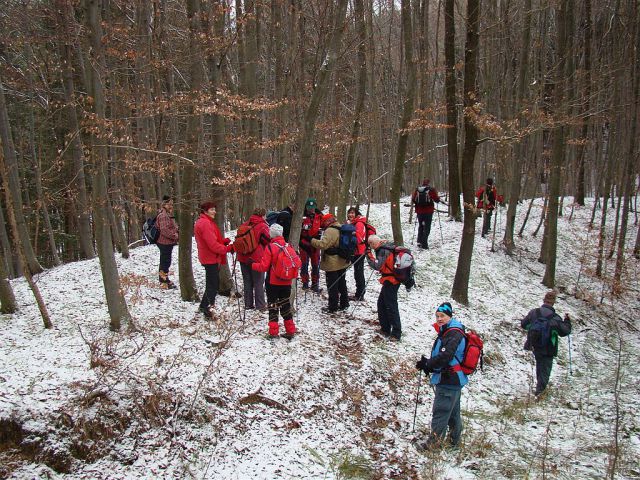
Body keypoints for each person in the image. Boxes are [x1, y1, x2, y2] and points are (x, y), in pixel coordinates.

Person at [414, 302, 468, 450]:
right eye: (437, 316)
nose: (439, 319)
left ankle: (433, 446)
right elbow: (445, 357)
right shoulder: (449, 331)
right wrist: (428, 364)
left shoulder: (453, 333)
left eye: (442, 316)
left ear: (449, 316)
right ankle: (454, 443)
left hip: (448, 380)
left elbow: (446, 356)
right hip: (454, 378)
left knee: (441, 411)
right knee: (453, 413)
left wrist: (429, 364)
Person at [251, 223, 299, 339]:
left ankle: (273, 333)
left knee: (273, 306)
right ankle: (290, 331)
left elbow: (263, 267)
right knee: (285, 305)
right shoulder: (289, 246)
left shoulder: (270, 247)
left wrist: (252, 265)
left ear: (271, 234)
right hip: (287, 281)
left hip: (273, 282)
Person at [521, 290, 572, 397]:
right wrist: (567, 321)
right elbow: (565, 332)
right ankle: (540, 393)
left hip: (535, 345)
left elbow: (524, 324)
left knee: (540, 366)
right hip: (549, 348)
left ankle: (539, 390)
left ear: (544, 300)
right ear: (553, 302)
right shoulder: (555, 317)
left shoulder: (534, 312)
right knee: (545, 370)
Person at [194, 202, 234, 319]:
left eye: (214, 209)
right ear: (205, 211)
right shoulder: (205, 223)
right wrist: (227, 248)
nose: (214, 212)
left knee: (212, 283)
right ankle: (207, 309)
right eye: (212, 209)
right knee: (213, 285)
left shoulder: (204, 222)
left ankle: (204, 306)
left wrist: (222, 242)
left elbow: (213, 241)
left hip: (208, 256)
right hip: (209, 257)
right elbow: (212, 245)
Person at [311, 213, 350, 313]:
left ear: (328, 221)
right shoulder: (341, 227)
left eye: (324, 222)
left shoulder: (330, 230)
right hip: (342, 260)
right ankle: (344, 303)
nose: (323, 224)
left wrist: (312, 240)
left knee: (332, 285)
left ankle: (332, 307)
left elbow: (323, 245)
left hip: (332, 263)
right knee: (342, 283)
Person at [366, 235, 402, 341]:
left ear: (373, 243)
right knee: (382, 303)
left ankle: (396, 333)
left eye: (370, 244)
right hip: (390, 280)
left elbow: (377, 266)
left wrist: (368, 255)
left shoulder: (383, 250)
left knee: (391, 306)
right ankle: (385, 328)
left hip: (392, 280)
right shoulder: (386, 246)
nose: (370, 247)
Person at [236, 207, 270, 311]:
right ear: (263, 215)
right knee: (258, 282)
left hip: (242, 257)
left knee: (247, 281)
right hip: (256, 258)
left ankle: (248, 304)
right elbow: (268, 240)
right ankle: (260, 305)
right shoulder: (263, 226)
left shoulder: (244, 224)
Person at [155, 195, 179, 289]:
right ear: (164, 204)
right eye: (169, 204)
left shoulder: (167, 214)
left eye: (172, 204)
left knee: (165, 261)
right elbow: (164, 230)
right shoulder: (163, 216)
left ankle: (164, 279)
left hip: (167, 242)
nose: (171, 206)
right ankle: (163, 281)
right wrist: (175, 236)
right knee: (165, 262)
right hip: (164, 242)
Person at [300, 198, 323, 292]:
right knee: (304, 264)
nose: (311, 209)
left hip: (315, 244)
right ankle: (305, 283)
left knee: (315, 264)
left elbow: (324, 227)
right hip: (303, 244)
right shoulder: (301, 216)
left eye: (313, 207)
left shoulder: (320, 216)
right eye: (309, 207)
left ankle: (315, 284)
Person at [411, 178, 440, 249]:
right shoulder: (431, 190)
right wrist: (437, 198)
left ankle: (419, 241)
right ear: (428, 183)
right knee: (427, 227)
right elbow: (436, 200)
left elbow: (413, 199)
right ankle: (424, 244)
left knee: (421, 225)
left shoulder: (417, 190)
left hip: (419, 212)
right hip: (428, 211)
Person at [347, 207, 368, 300]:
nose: (350, 215)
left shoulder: (359, 223)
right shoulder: (353, 223)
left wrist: (351, 232)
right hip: (355, 251)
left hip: (359, 252)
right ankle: (359, 293)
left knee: (359, 273)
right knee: (357, 272)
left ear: (356, 214)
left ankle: (360, 294)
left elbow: (359, 238)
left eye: (352, 213)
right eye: (349, 213)